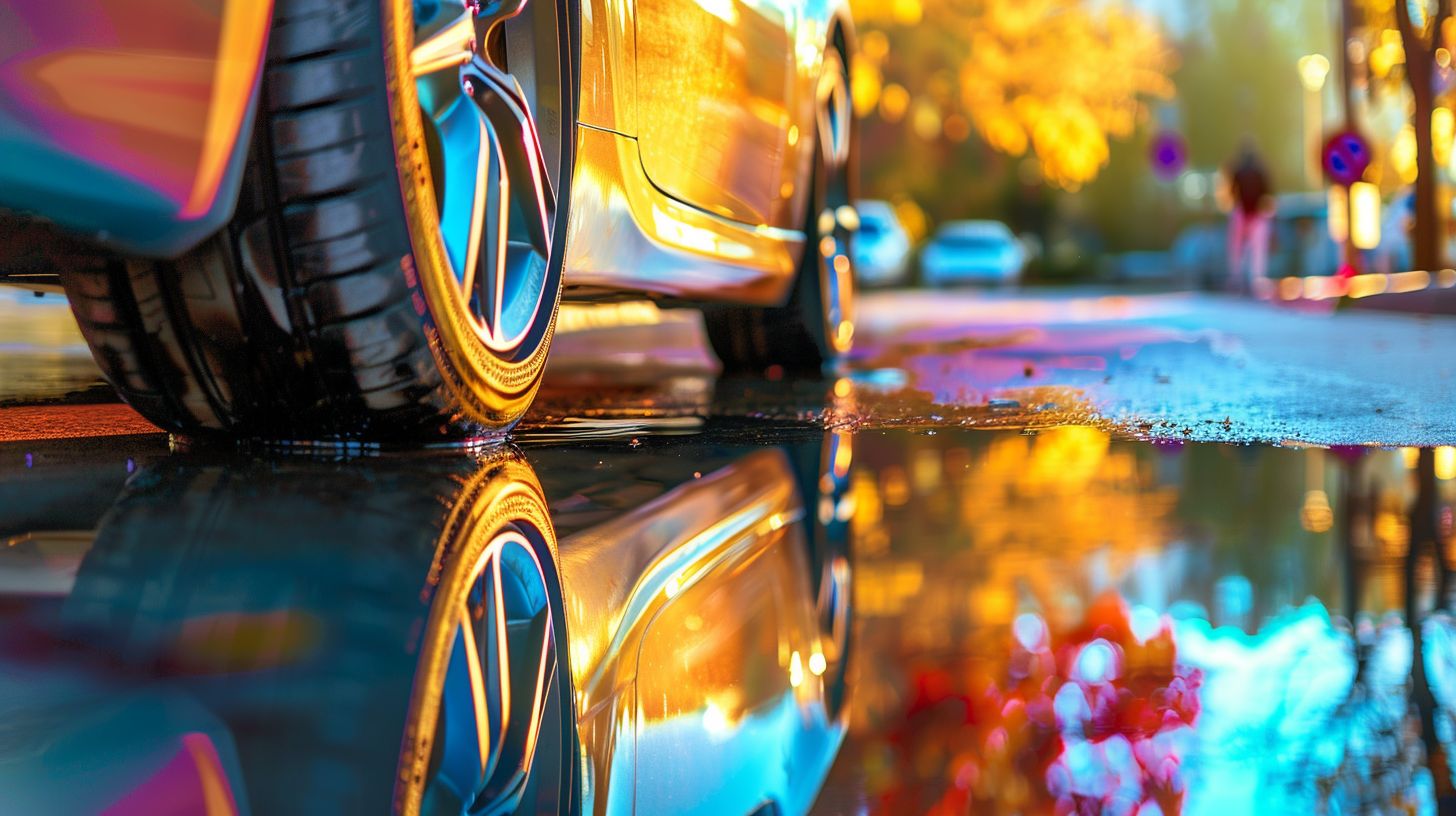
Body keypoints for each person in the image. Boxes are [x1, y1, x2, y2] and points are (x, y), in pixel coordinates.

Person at [1225, 143, 1275, 292]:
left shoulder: (1249, 171)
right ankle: (1243, 278)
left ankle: (1251, 279)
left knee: (1249, 248)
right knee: (1243, 248)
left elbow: (1266, 192)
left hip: (1253, 213)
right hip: (1246, 212)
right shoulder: (1252, 171)